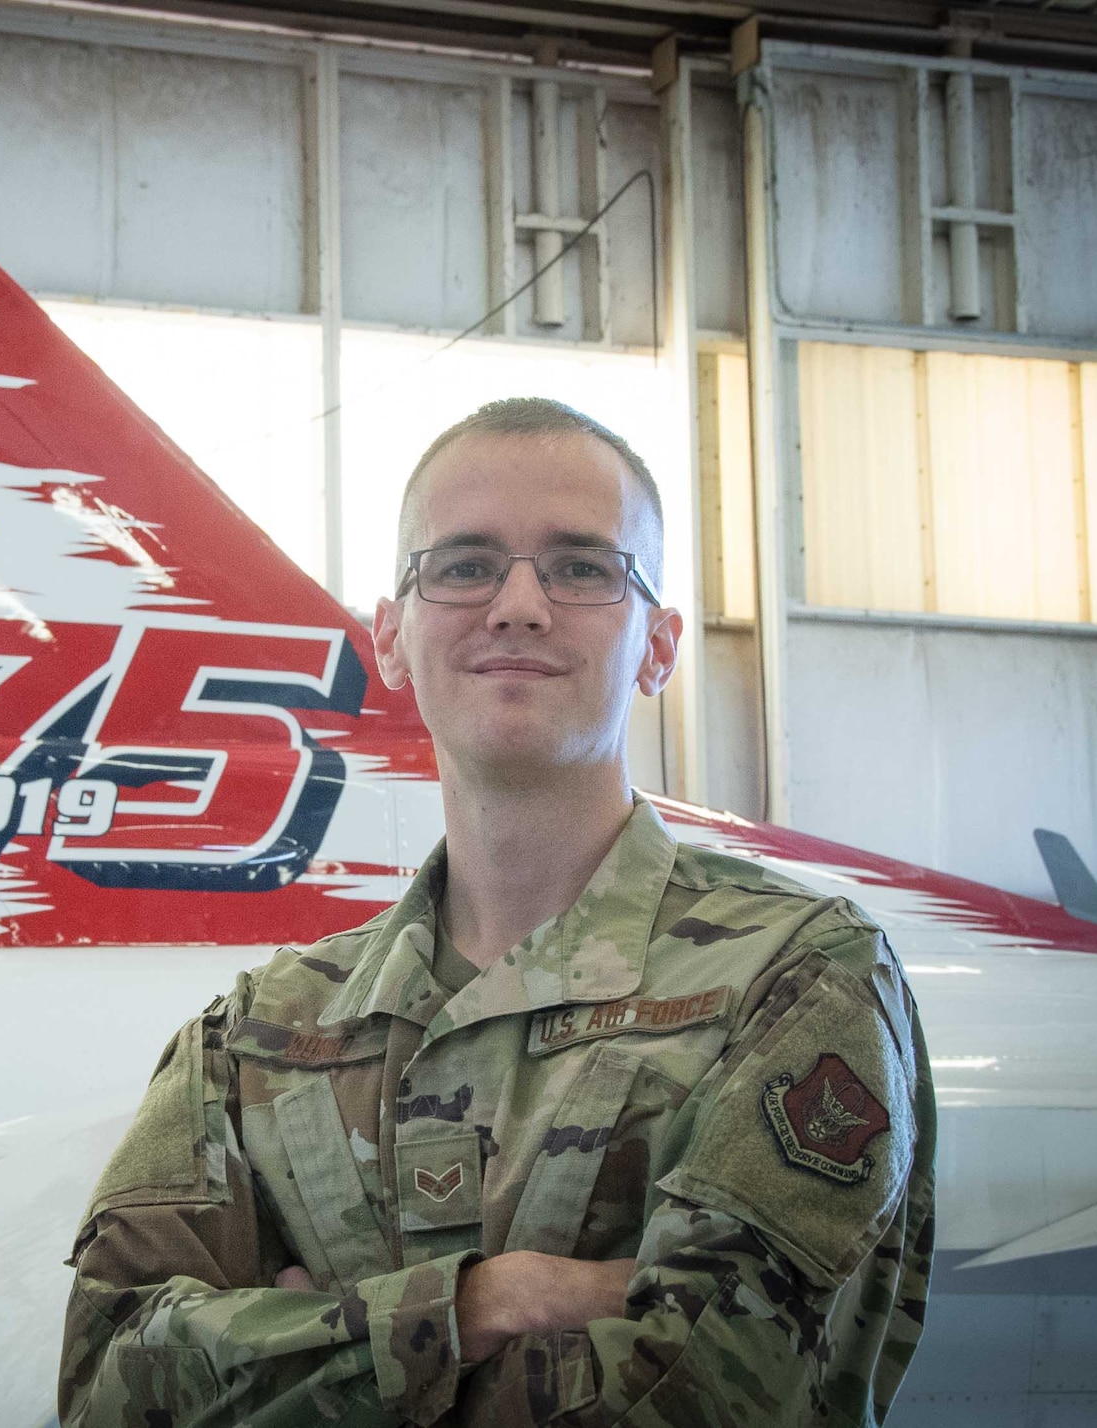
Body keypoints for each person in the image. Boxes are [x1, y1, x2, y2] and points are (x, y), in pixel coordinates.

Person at [58, 397, 935, 1427]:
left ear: (657, 646)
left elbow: (714, 1391)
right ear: (390, 637)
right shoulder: (256, 1032)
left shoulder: (796, 978)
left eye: (579, 568)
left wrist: (298, 1344)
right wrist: (487, 1303)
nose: (517, 605)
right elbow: (109, 1386)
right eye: (464, 566)